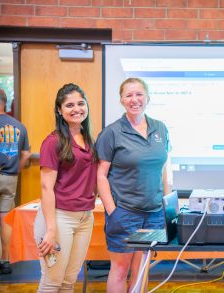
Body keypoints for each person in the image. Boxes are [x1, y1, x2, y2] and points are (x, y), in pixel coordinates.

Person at [96, 77, 171, 292]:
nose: (134, 99)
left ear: (148, 97)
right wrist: (113, 212)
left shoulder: (161, 128)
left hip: (154, 213)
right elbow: (101, 175)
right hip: (125, 213)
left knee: (142, 269)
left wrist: (167, 206)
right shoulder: (111, 133)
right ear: (121, 100)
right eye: (128, 95)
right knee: (120, 270)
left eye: (139, 94)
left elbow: (164, 168)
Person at [34, 83, 97, 292]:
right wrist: (50, 229)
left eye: (81, 103)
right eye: (69, 105)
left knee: (68, 282)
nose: (76, 108)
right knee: (52, 282)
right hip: (59, 218)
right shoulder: (53, 142)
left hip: (85, 218)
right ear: (59, 111)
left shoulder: (88, 140)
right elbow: (46, 188)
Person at [0, 87, 30, 274]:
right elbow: (25, 154)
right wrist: (16, 168)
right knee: (5, 219)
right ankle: (6, 261)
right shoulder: (19, 126)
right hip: (10, 177)